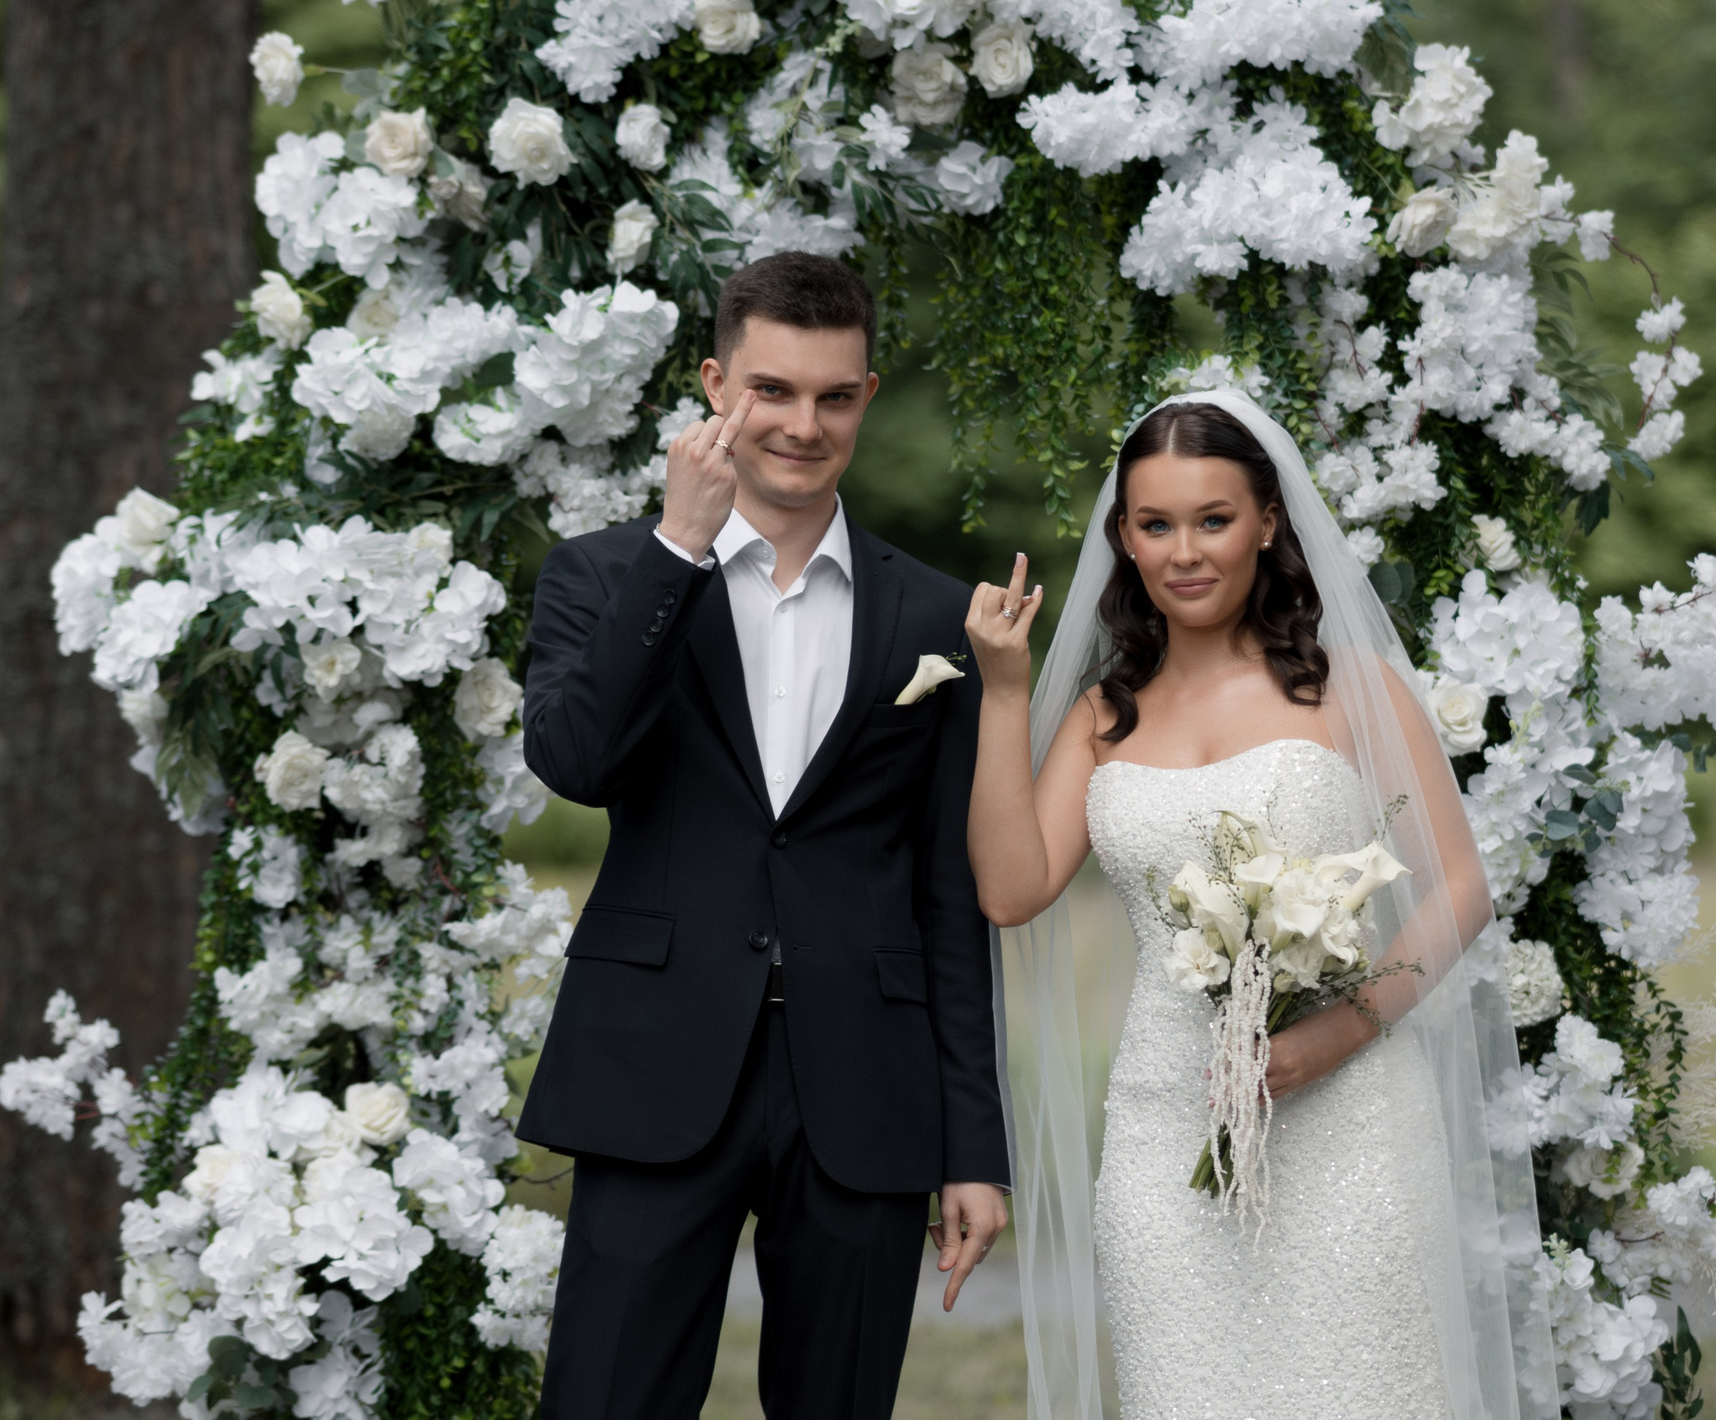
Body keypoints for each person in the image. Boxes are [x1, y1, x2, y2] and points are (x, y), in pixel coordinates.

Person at [961, 391, 1559, 1420]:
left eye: (1214, 519)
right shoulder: (1104, 714)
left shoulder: (1350, 686)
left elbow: (1461, 884)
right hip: (1168, 1122)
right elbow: (1011, 891)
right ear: (1124, 539)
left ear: (1268, 522)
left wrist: (1340, 1029)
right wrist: (1006, 693)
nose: (1185, 551)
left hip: (1352, 1121)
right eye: (1156, 524)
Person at [515, 251, 1011, 1420]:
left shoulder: (938, 615)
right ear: (714, 386)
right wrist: (675, 552)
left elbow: (949, 899)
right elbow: (577, 764)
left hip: (864, 1085)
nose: (802, 425)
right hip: (655, 1063)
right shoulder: (602, 576)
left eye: (833, 396)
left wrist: (973, 1147)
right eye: (771, 391)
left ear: (866, 397)